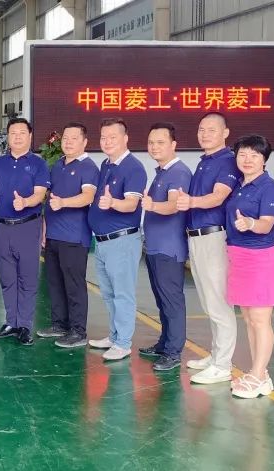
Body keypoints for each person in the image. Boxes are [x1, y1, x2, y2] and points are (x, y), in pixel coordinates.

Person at [174, 112, 241, 384]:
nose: (205, 134)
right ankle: (216, 356)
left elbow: (218, 197)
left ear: (225, 133)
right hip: (198, 237)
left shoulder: (227, 161)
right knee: (208, 301)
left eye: (212, 130)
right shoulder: (205, 161)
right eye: (201, 129)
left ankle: (223, 365)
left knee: (218, 303)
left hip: (214, 237)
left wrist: (190, 202)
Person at [223, 135, 274, 398]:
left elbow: (267, 224)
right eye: (243, 154)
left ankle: (259, 375)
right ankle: (259, 372)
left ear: (264, 159)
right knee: (248, 318)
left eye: (254, 155)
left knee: (260, 319)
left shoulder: (269, 187)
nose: (247, 160)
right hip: (238, 255)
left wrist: (250, 224)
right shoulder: (239, 185)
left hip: (260, 257)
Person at [87, 118, 147, 361]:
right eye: (103, 137)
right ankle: (114, 336)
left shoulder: (133, 167)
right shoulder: (106, 164)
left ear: (125, 138)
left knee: (123, 294)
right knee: (109, 293)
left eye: (113, 137)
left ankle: (123, 343)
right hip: (103, 242)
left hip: (122, 242)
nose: (107, 142)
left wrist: (112, 202)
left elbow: (131, 204)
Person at [0, 117, 50, 346]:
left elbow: (40, 194)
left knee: (27, 278)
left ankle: (24, 325)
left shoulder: (38, 164)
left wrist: (25, 202)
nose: (17, 137)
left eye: (22, 133)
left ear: (30, 136)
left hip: (28, 226)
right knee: (7, 278)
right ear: (7, 136)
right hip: (2, 226)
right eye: (13, 133)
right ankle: (11, 323)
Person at [137, 122, 192, 371]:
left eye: (160, 142)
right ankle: (164, 343)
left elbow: (173, 205)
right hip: (155, 247)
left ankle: (173, 352)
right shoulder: (161, 172)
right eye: (151, 143)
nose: (154, 147)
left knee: (171, 301)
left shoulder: (178, 172)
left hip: (169, 249)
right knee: (162, 299)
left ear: (173, 145)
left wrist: (152, 206)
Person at [39, 122, 98, 348]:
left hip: (74, 236)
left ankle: (78, 331)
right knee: (54, 282)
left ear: (85, 142)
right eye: (65, 138)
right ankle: (59, 324)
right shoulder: (58, 165)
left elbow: (88, 196)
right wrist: (45, 228)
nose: (68, 142)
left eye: (74, 138)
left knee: (74, 285)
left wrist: (63, 203)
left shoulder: (88, 167)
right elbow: (50, 199)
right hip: (53, 235)